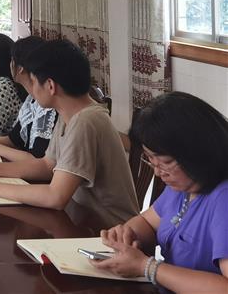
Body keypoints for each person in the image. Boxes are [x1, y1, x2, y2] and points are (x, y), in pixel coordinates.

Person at [0, 40, 138, 229]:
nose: (32, 89)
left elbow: (55, 196)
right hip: (83, 221)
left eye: (34, 81)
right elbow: (47, 165)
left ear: (50, 86)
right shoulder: (69, 114)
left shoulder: (85, 122)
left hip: (110, 233)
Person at [90, 92, 228, 292]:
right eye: (150, 159)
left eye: (166, 162)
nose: (157, 172)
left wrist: (148, 267)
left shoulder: (223, 199)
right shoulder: (183, 186)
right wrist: (126, 235)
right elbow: (148, 222)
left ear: (198, 152)